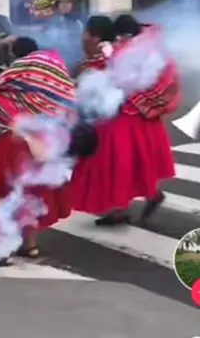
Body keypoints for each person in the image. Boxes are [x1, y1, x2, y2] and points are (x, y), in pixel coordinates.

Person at [0, 50, 77, 264]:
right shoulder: (48, 100)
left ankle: (2, 250)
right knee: (31, 196)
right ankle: (30, 246)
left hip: (9, 148)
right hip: (39, 149)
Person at [68, 16, 178, 226]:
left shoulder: (118, 53)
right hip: (127, 116)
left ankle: (142, 199)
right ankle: (122, 208)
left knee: (120, 165)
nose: (83, 37)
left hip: (126, 117)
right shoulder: (125, 51)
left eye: (87, 33)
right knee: (123, 165)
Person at [44, 0, 85, 72]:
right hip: (56, 67)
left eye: (68, 2)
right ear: (57, 4)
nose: (65, 5)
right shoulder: (50, 23)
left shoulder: (78, 24)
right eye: (62, 2)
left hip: (76, 66)